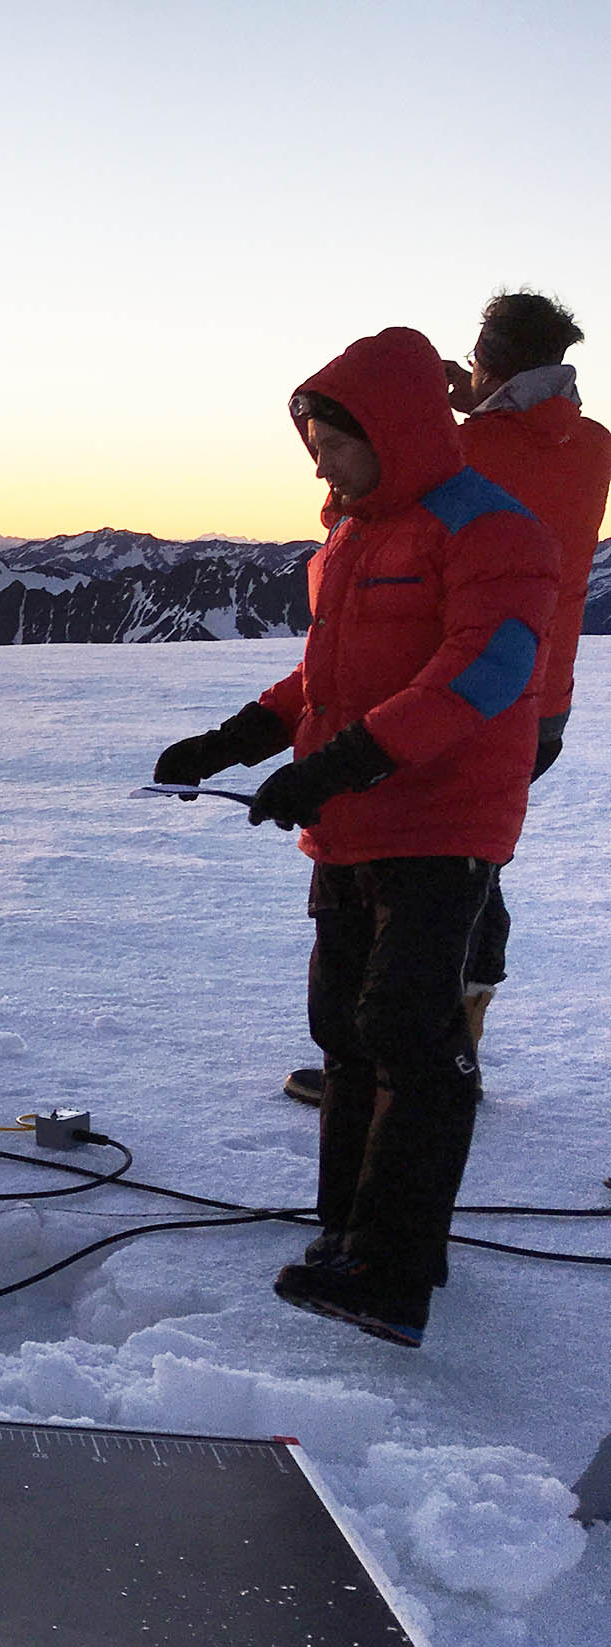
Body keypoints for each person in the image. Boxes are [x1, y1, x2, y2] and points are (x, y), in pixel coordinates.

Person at [153, 328, 560, 1347]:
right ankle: (348, 1229)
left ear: (394, 431)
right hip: (350, 829)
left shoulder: (492, 531)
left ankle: (393, 1266)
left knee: (410, 1037)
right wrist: (237, 737)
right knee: (342, 1030)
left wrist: (344, 763)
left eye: (332, 443)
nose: (318, 463)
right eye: (311, 444)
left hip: (440, 822)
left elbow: (485, 673)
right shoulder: (347, 536)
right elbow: (325, 680)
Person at [284, 294, 609, 1104]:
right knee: (475, 858)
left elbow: (357, 512)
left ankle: (410, 1065)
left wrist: (421, 414)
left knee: (421, 869)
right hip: (544, 695)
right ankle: (455, 1041)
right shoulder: (594, 445)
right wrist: (471, 404)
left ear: (487, 359)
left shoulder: (468, 449)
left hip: (435, 689)